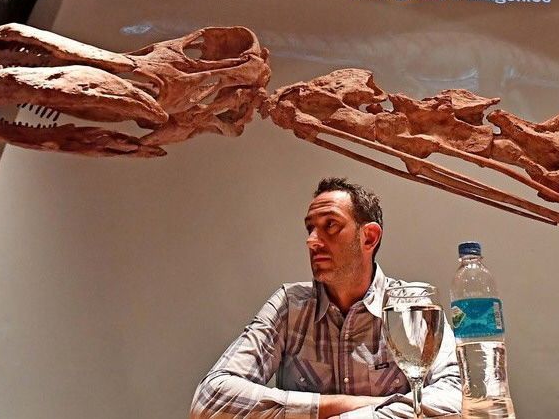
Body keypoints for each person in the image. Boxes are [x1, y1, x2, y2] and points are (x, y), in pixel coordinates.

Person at [190, 177, 461, 419]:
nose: (312, 240)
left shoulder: (412, 305)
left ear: (369, 238)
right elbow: (209, 401)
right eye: (310, 228)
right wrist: (345, 405)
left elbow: (457, 398)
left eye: (330, 225)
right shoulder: (289, 306)